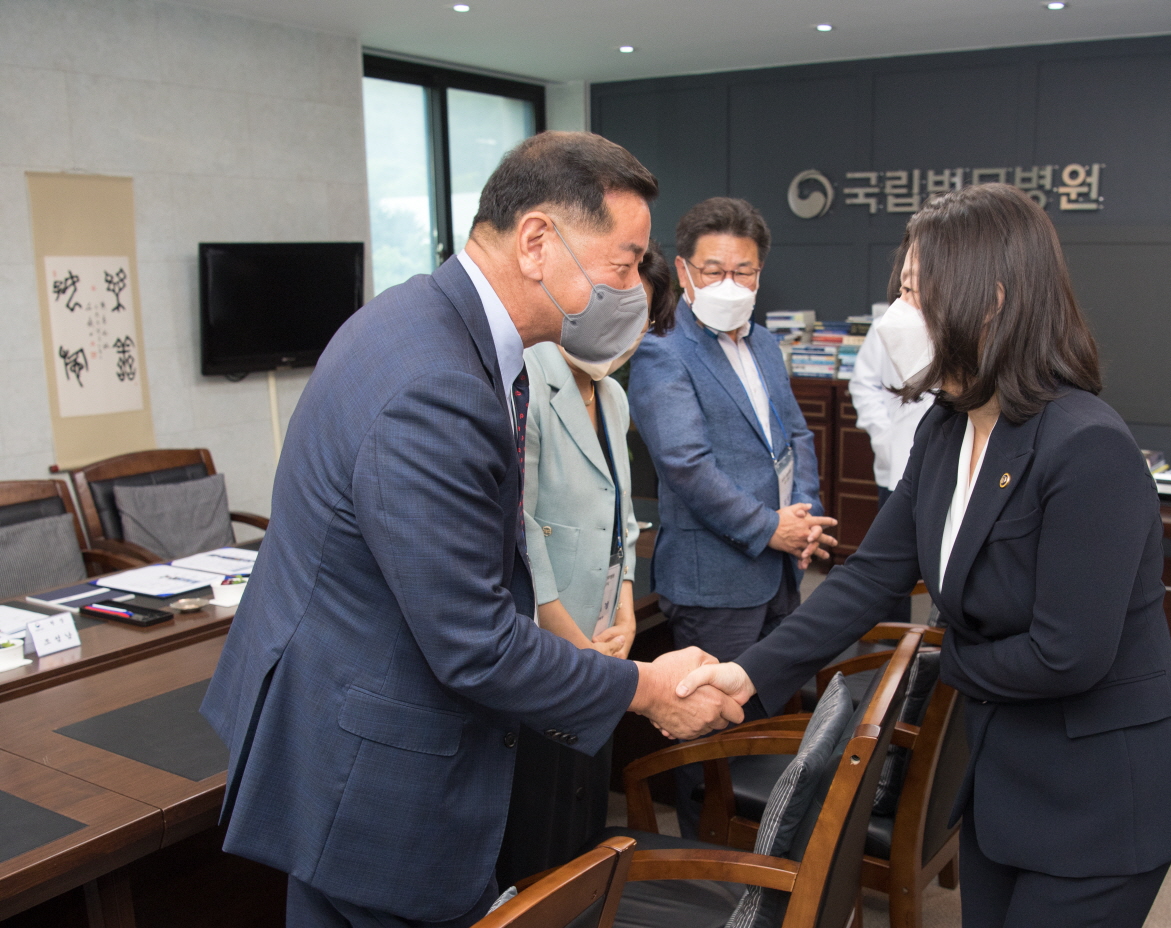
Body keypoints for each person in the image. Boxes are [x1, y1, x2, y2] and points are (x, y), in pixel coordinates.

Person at [200, 132, 745, 928]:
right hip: (374, 779)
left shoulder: (423, 320)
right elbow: (473, 641)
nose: (633, 289)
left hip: (348, 735)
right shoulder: (436, 384)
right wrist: (648, 689)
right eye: (625, 264)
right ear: (537, 241)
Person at [681, 183, 1171, 928]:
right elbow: (871, 575)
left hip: (1101, 796)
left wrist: (932, 657)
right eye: (900, 290)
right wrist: (746, 674)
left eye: (915, 293)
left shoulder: (1086, 446)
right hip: (1004, 777)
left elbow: (1066, 656)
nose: (896, 314)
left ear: (991, 300)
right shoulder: (947, 426)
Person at [628, 196, 835, 836]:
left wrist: (806, 521)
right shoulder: (663, 351)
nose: (729, 283)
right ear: (683, 271)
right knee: (712, 739)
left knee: (771, 725)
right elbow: (686, 467)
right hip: (714, 577)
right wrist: (771, 528)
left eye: (743, 271)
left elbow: (796, 436)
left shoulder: (765, 343)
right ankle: (710, 861)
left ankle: (767, 854)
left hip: (781, 571)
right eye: (713, 270)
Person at [495, 242, 678, 886]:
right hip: (550, 644)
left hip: (602, 638)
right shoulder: (529, 380)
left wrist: (625, 610)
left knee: (583, 816)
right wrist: (578, 650)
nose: (625, 333)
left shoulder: (613, 396)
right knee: (538, 831)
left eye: (640, 323)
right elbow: (522, 533)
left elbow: (623, 516)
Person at [847, 241, 933, 624]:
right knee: (892, 564)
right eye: (903, 287)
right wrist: (883, 437)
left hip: (941, 470)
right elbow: (863, 383)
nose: (904, 300)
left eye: (913, 288)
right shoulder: (892, 325)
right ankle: (890, 635)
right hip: (897, 464)